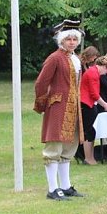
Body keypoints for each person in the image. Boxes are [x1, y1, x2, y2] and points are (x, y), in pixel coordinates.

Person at [33, 20, 86, 201]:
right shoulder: (55, 58)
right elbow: (41, 82)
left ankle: (65, 186)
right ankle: (52, 189)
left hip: (73, 107)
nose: (72, 42)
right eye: (68, 39)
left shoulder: (75, 58)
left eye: (74, 39)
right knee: (54, 146)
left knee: (69, 147)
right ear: (61, 40)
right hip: (58, 107)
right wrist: (43, 103)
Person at [79, 56, 107, 164]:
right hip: (86, 104)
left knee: (90, 131)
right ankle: (88, 158)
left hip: (88, 103)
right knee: (89, 131)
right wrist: (105, 105)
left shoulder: (93, 72)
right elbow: (94, 94)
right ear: (104, 66)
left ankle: (90, 157)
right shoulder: (93, 74)